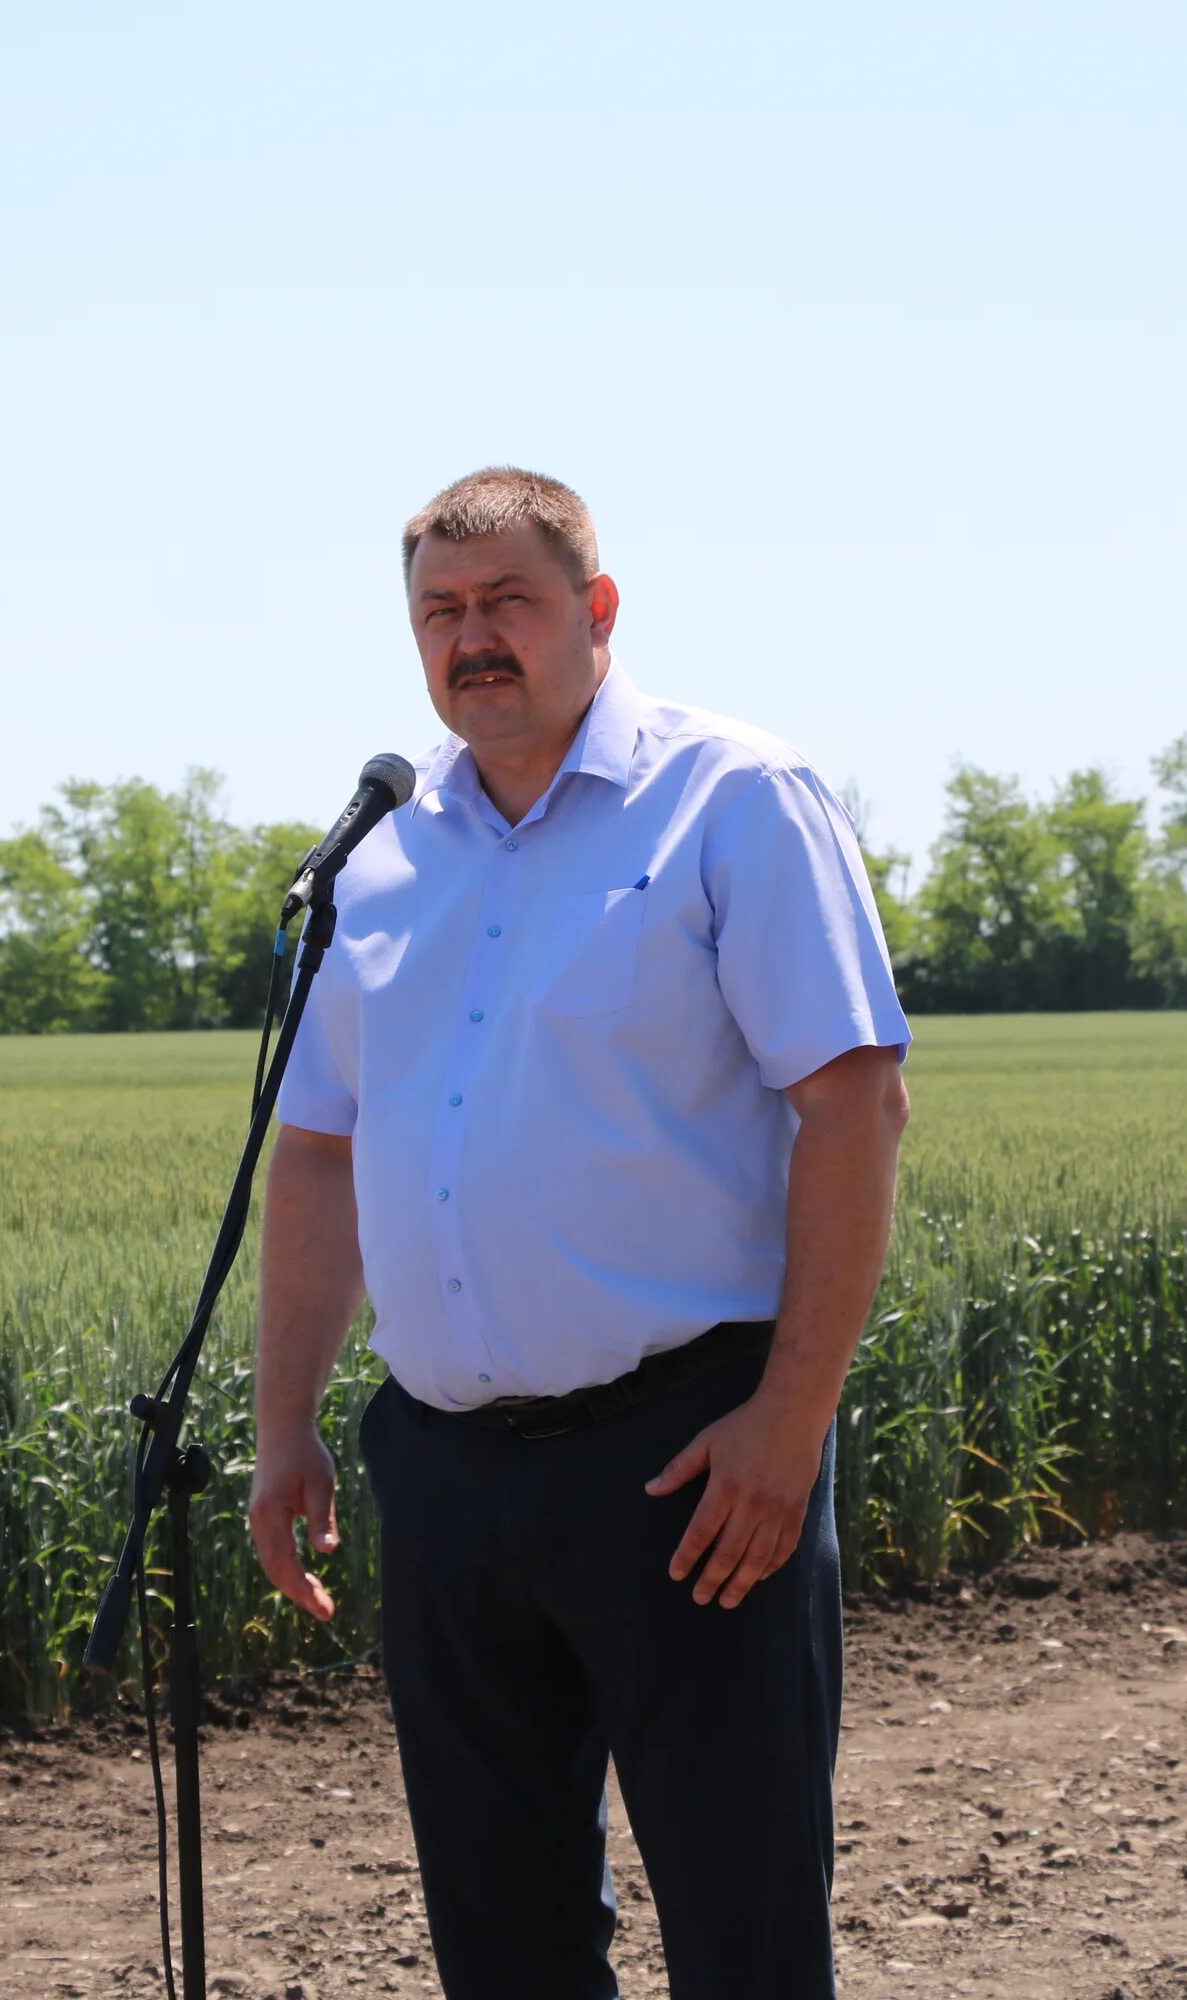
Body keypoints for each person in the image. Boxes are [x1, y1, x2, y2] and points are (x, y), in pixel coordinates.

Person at [246, 466, 910, 2000]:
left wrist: (789, 1424)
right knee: (505, 1951)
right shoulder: (383, 854)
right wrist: (288, 1427)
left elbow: (856, 1107)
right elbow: (318, 1156)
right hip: (451, 1474)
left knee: (743, 1937)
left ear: (596, 613)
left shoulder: (733, 799)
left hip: (688, 1464)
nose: (473, 638)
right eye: (440, 612)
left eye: (507, 603)